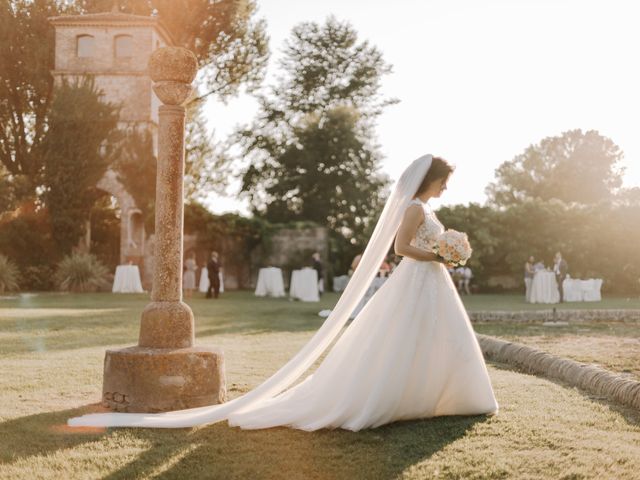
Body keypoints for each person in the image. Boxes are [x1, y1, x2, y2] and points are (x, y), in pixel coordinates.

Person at [69, 154, 498, 431]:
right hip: (420, 278)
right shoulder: (414, 208)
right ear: (432, 178)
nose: (446, 188)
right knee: (404, 337)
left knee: (433, 338)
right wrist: (440, 256)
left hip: (431, 282)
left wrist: (444, 253)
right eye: (444, 182)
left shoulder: (428, 209)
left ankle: (439, 394)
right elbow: (401, 248)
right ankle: (401, 397)